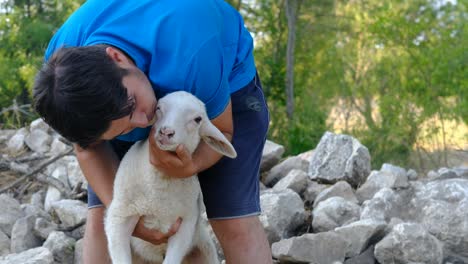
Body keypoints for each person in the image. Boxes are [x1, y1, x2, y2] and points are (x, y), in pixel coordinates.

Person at [33, 0, 271, 263]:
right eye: (121, 130)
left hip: (215, 85)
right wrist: (124, 213)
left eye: (132, 105)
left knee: (233, 220)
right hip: (132, 87)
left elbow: (224, 131)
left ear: (116, 57)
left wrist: (190, 166)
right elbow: (87, 149)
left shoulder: (193, 50)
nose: (145, 123)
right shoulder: (62, 79)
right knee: (104, 218)